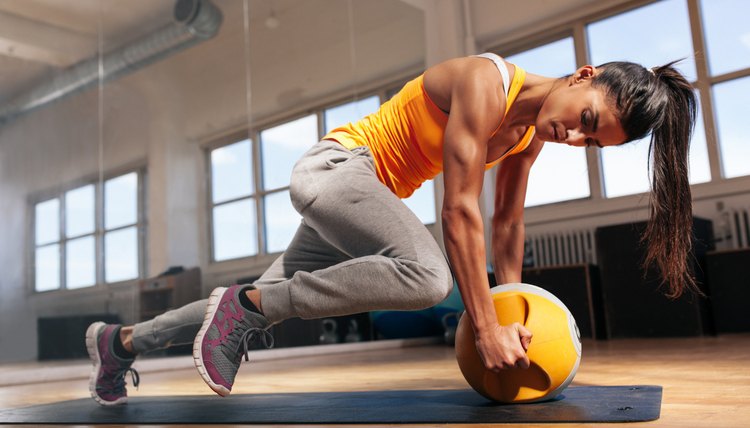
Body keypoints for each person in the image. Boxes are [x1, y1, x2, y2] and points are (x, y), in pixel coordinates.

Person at [86, 52, 697, 405]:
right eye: (587, 119)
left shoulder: (529, 136)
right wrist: (484, 329)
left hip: (360, 204)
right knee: (429, 276)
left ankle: (119, 345)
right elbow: (460, 211)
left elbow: (508, 222)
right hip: (336, 170)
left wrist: (515, 312)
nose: (577, 135)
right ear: (581, 76)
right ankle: (248, 308)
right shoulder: (487, 84)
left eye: (593, 141)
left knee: (248, 307)